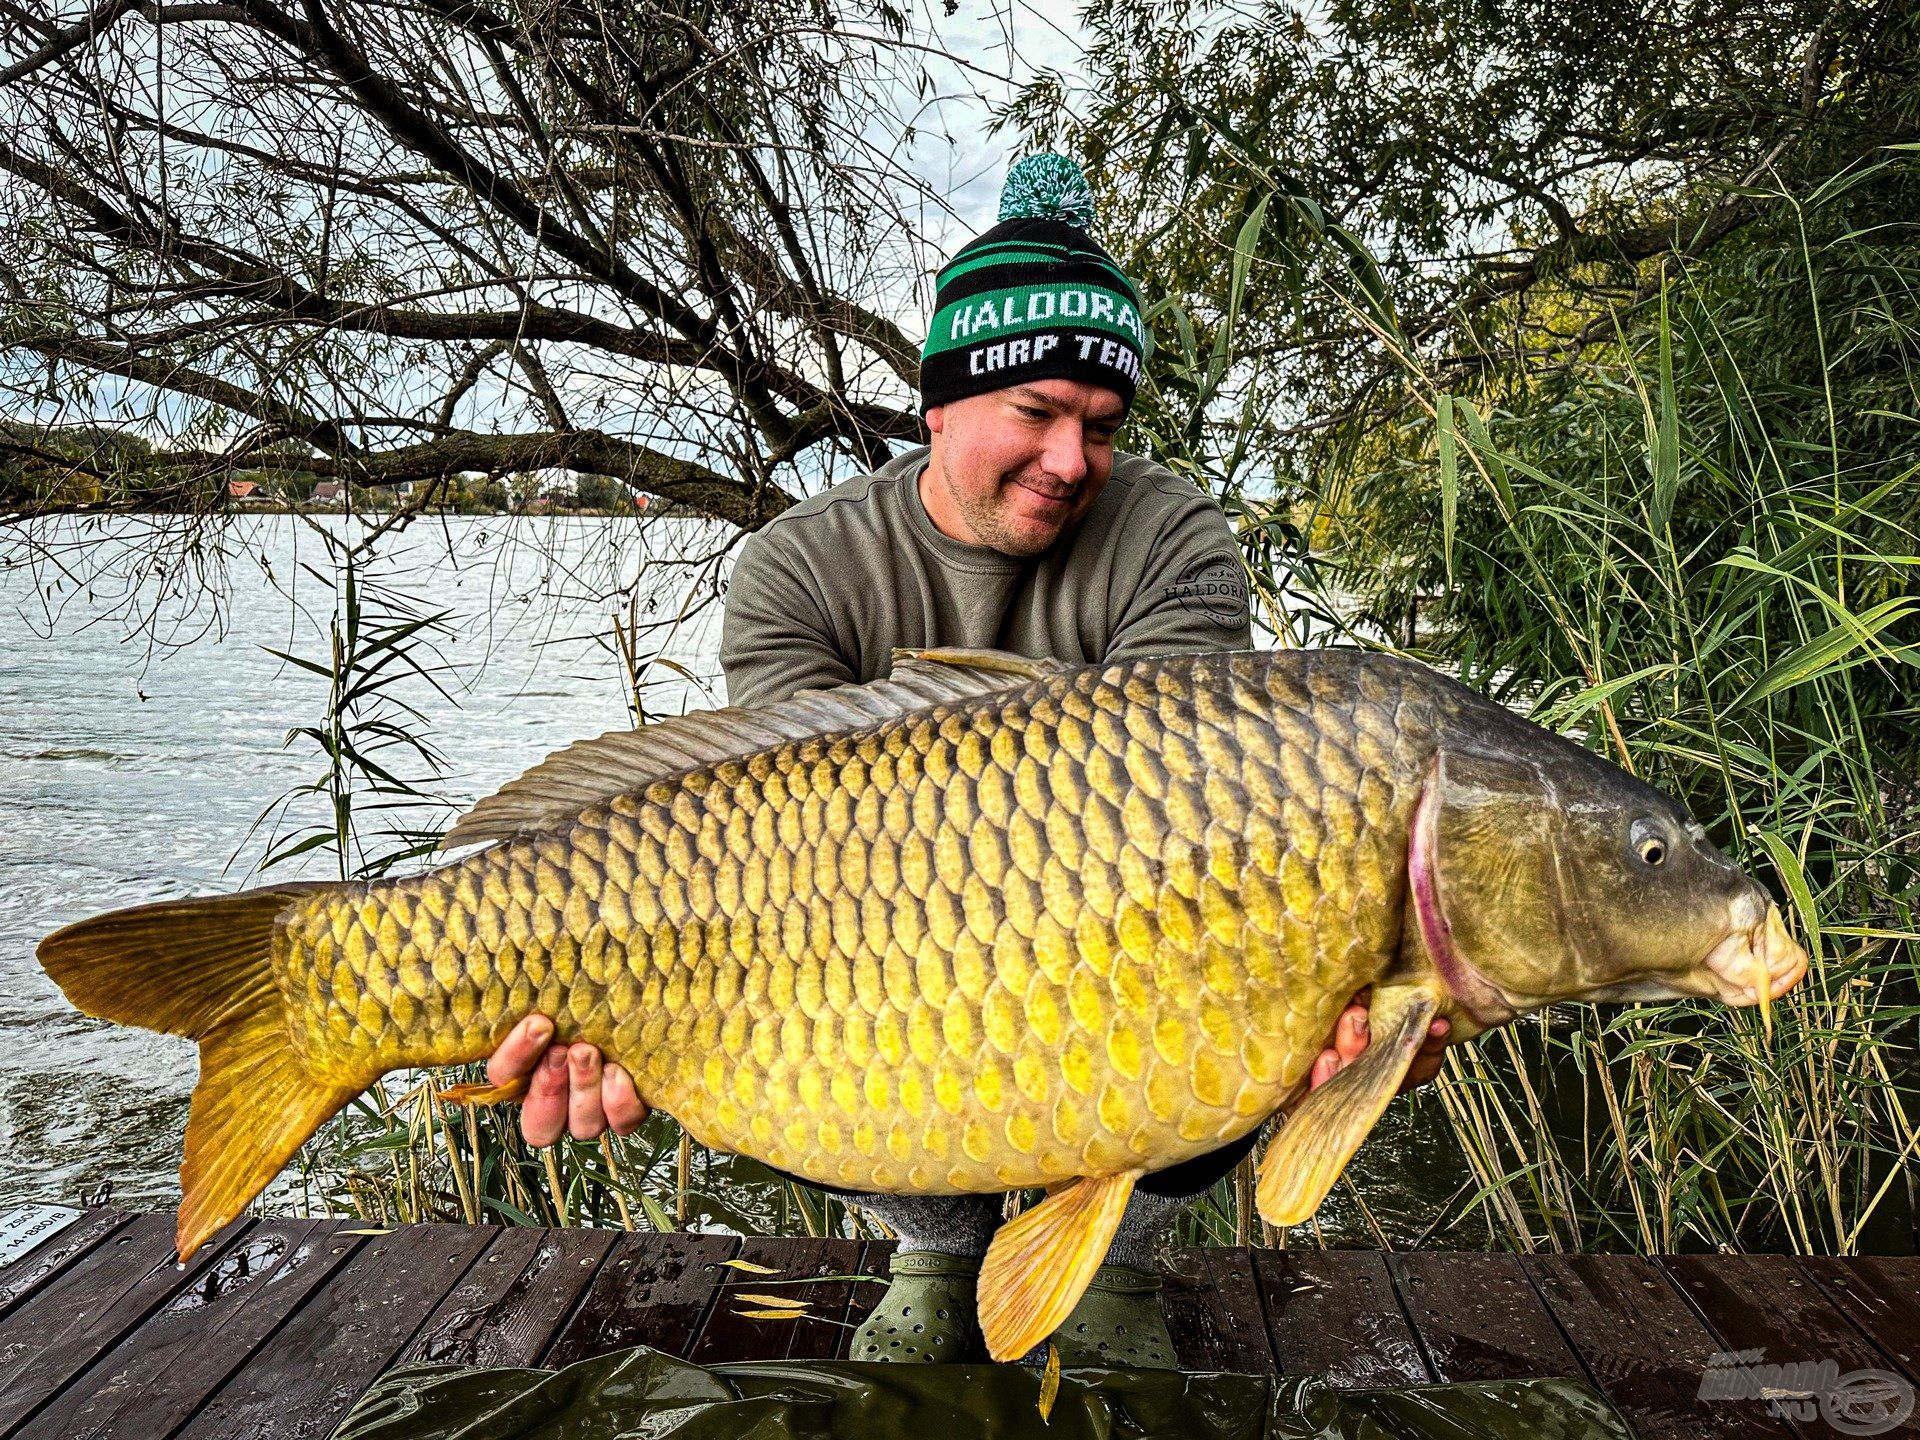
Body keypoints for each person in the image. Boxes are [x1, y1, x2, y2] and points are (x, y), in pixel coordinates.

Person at [481, 155, 1448, 1365]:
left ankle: (1118, 1259)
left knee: (1236, 951)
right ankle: (932, 1247)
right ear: (939, 404)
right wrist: (622, 993)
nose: (1070, 460)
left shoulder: (1173, 536)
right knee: (796, 978)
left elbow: (1190, 823)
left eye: (1100, 426)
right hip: (842, 934)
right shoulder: (799, 567)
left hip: (1118, 921)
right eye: (1035, 414)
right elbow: (788, 858)